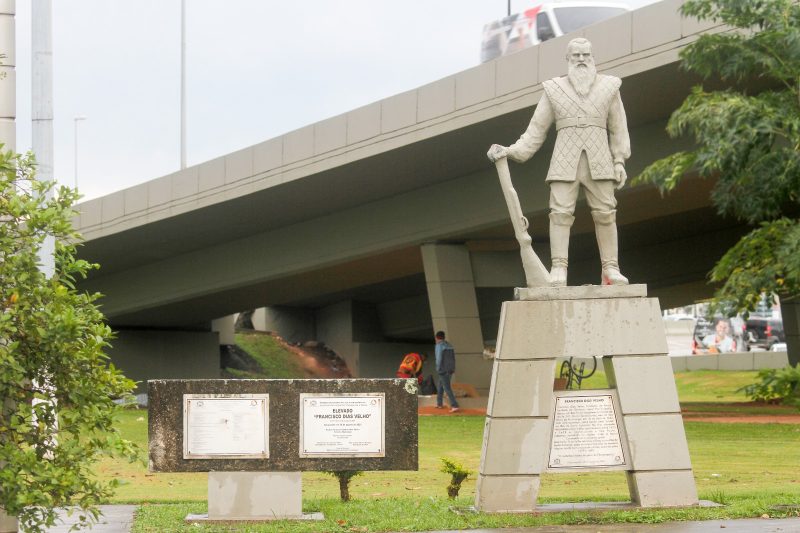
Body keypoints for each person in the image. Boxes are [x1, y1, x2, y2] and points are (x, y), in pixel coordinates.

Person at [487, 37, 631, 287]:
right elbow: (535, 131)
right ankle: (558, 268)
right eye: (576, 56)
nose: (582, 60)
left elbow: (619, 128)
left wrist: (619, 160)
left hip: (600, 159)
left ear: (593, 57)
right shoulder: (553, 89)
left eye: (586, 55)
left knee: (606, 214)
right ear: (568, 59)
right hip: (565, 160)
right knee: (560, 215)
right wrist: (510, 151)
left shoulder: (610, 86)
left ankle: (611, 268)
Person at [434, 331, 460, 413]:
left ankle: (454, 405)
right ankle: (439, 403)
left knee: (446, 387)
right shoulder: (449, 345)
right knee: (440, 385)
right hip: (450, 369)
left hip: (443, 369)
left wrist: (438, 368)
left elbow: (438, 358)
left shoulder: (439, 346)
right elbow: (453, 358)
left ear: (437, 337)